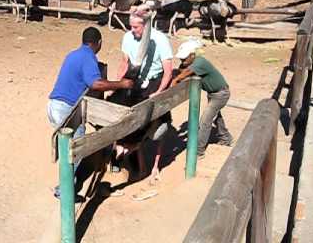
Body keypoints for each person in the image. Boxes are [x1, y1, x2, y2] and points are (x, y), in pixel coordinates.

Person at [48, 27, 133, 198]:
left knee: (68, 148)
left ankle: (67, 186)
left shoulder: (73, 54)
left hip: (53, 105)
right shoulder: (88, 57)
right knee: (75, 150)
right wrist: (121, 84)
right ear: (99, 43)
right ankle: (63, 191)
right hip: (67, 109)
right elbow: (96, 84)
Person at [115, 11, 173, 182]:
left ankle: (155, 167)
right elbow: (124, 63)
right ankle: (139, 166)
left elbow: (168, 71)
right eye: (131, 26)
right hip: (136, 80)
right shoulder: (128, 37)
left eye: (136, 27)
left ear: (145, 25)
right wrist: (118, 86)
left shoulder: (160, 39)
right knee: (130, 121)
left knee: (158, 125)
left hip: (155, 82)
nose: (132, 30)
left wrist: (159, 92)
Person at [171, 39, 233, 158]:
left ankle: (198, 151)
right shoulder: (191, 62)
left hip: (220, 94)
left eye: (184, 59)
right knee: (215, 117)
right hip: (213, 93)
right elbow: (182, 70)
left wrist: (175, 79)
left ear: (192, 55)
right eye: (181, 59)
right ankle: (225, 138)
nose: (182, 61)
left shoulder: (200, 62)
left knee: (205, 121)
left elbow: (186, 72)